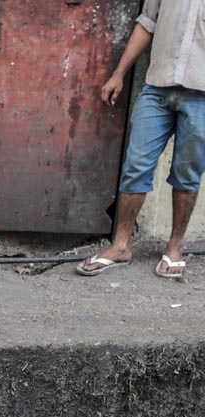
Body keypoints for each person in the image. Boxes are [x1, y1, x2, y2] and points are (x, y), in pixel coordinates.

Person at [79, 0, 205, 279]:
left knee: (187, 174)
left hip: (201, 96)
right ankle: (121, 245)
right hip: (157, 89)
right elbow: (147, 24)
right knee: (136, 165)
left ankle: (175, 247)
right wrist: (118, 74)